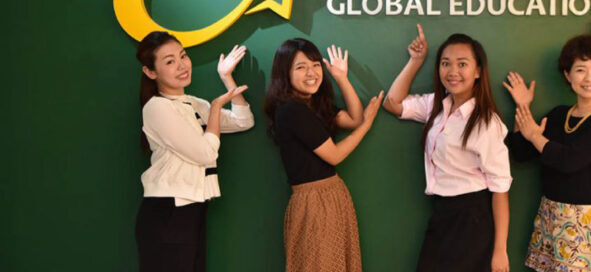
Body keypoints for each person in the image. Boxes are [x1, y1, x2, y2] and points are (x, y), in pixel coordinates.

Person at [383, 25, 512, 272]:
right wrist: (416, 61)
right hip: (443, 213)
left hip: (472, 219)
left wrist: (500, 250)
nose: (453, 72)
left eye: (462, 64)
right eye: (445, 64)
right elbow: (392, 103)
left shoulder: (486, 123)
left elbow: (500, 189)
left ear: (478, 71)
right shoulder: (436, 105)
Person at [134, 31, 254, 272]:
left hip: (192, 208)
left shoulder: (195, 104)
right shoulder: (157, 108)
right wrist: (217, 107)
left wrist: (227, 77)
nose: (182, 65)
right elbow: (205, 154)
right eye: (170, 61)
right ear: (150, 72)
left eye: (183, 56)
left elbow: (244, 120)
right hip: (168, 210)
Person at [504, 34, 591, 272]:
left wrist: (535, 136)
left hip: (583, 222)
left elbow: (570, 160)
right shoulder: (559, 115)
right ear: (568, 75)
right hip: (550, 215)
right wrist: (522, 107)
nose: (589, 78)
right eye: (580, 70)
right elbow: (521, 152)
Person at [264, 38, 383, 272]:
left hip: (332, 195)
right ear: (285, 73)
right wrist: (366, 126)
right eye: (301, 67)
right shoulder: (291, 109)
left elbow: (354, 118)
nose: (311, 73)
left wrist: (341, 78)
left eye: (315, 65)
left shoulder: (313, 103)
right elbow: (335, 155)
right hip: (313, 203)